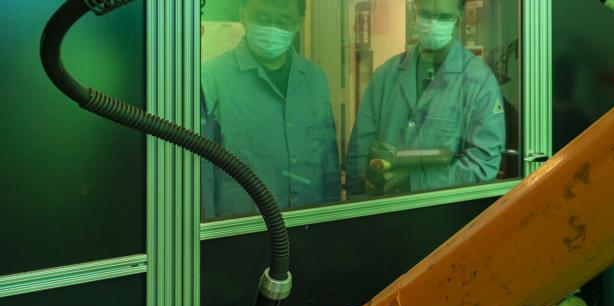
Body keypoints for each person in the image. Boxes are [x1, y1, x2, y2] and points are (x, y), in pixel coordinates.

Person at [346, 0, 506, 196]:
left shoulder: (479, 82)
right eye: (427, 15)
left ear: (458, 18)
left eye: (444, 17)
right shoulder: (385, 77)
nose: (433, 24)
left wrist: (414, 181)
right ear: (415, 13)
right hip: (383, 213)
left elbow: (483, 166)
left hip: (444, 216)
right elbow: (359, 153)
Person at [201, 0, 340, 219]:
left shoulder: (315, 79)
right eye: (262, 19)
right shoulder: (211, 78)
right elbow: (202, 176)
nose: (272, 28)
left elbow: (328, 165)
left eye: (283, 21)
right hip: (243, 233)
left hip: (308, 226)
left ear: (299, 22)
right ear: (244, 15)